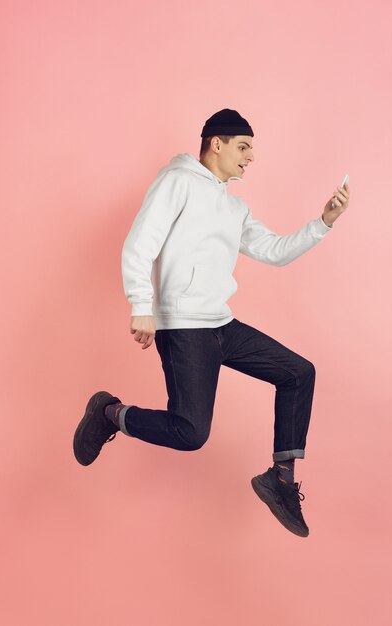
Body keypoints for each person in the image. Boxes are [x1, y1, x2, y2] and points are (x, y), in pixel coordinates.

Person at [73, 108, 350, 538]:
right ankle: (110, 413)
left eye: (252, 149)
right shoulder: (177, 182)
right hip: (184, 326)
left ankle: (280, 480)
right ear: (215, 144)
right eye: (244, 147)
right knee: (189, 433)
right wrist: (141, 304)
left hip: (222, 325)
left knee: (299, 372)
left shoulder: (234, 207)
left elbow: (275, 251)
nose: (251, 157)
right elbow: (139, 243)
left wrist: (323, 223)